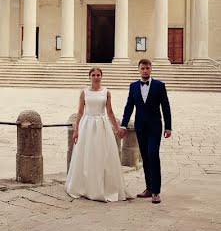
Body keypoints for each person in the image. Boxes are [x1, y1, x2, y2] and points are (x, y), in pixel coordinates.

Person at [66, 66, 129, 202]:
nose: (96, 77)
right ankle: (85, 186)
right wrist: (76, 130)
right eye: (93, 75)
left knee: (102, 154)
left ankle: (104, 186)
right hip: (87, 124)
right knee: (86, 154)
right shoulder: (84, 92)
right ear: (89, 77)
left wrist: (117, 128)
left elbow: (110, 111)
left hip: (102, 124)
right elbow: (80, 112)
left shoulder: (106, 92)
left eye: (98, 75)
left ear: (101, 76)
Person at [119, 58, 171, 204]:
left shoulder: (159, 85)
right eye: (142, 68)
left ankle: (156, 191)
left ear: (151, 69)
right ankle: (148, 188)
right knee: (145, 157)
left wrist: (168, 126)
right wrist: (123, 125)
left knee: (153, 154)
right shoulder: (133, 86)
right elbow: (129, 106)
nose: (145, 70)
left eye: (147, 68)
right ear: (139, 69)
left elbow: (165, 106)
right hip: (140, 127)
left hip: (155, 126)